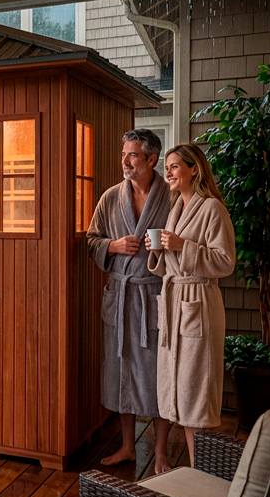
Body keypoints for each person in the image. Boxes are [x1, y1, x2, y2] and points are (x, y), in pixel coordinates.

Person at [87, 129, 172, 474]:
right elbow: (92, 239)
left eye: (132, 155)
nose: (124, 161)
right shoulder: (110, 198)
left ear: (152, 159)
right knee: (122, 371)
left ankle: (163, 452)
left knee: (158, 373)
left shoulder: (172, 198)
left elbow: (185, 242)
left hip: (154, 295)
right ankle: (127, 447)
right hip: (121, 297)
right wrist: (112, 246)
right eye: (124, 154)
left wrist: (167, 248)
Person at [146, 143, 235, 468]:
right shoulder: (176, 209)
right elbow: (171, 262)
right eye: (166, 167)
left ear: (193, 169)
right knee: (177, 388)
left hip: (198, 303)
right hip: (175, 303)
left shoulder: (212, 209)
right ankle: (176, 462)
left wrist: (183, 245)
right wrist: (156, 251)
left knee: (195, 392)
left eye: (173, 166)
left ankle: (199, 471)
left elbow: (225, 262)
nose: (167, 173)